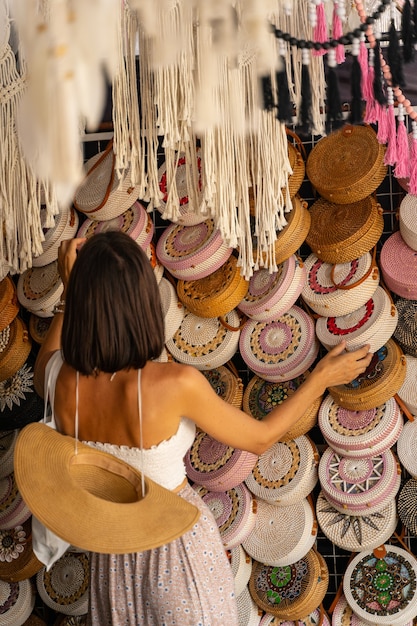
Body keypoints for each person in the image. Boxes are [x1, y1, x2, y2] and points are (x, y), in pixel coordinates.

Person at [33, 231, 373, 626]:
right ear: (143, 301)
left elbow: (49, 357)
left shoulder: (61, 380)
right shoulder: (171, 384)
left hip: (113, 552)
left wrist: (71, 292)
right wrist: (319, 379)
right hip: (174, 549)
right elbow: (260, 438)